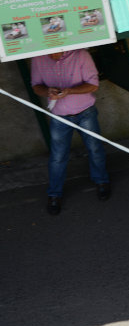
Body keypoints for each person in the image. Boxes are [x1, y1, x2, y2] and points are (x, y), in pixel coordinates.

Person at [31, 49, 110, 215]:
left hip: (85, 111)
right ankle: (54, 194)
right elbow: (36, 85)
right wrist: (47, 91)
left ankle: (102, 182)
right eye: (49, 53)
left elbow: (93, 84)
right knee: (58, 157)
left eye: (55, 52)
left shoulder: (81, 54)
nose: (52, 56)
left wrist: (69, 91)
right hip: (59, 116)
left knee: (95, 149)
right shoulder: (38, 57)